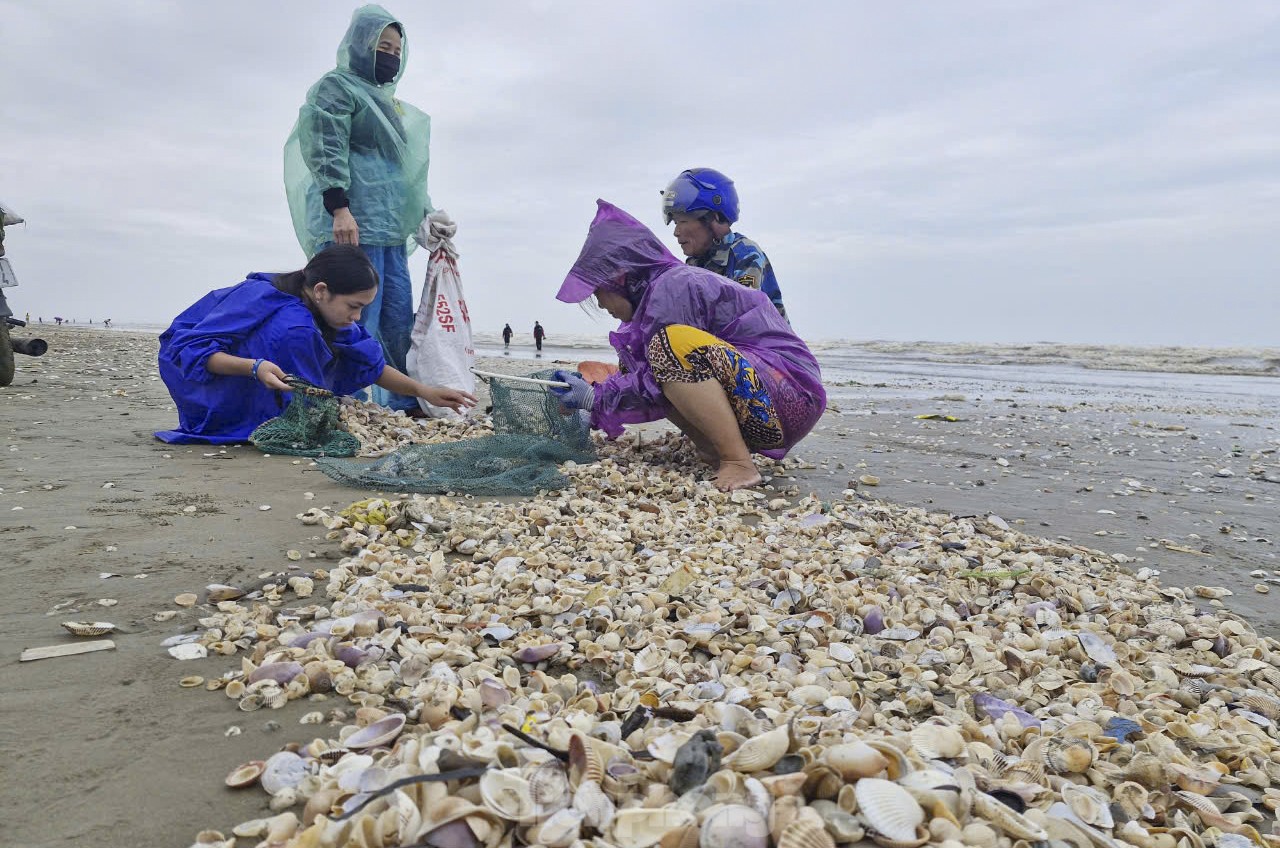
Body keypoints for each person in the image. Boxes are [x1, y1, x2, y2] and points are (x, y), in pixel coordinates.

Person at [551, 201, 825, 491]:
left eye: (599, 293)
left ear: (620, 277)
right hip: (768, 399)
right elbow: (647, 381)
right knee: (648, 363)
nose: (601, 304)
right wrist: (596, 396)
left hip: (791, 397)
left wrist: (596, 399)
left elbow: (658, 373)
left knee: (670, 348)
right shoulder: (656, 296)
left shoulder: (673, 287)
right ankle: (713, 447)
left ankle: (738, 462)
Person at [155, 245, 474, 445]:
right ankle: (260, 416)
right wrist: (254, 367)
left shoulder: (328, 311)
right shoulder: (268, 304)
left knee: (335, 340)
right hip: (210, 386)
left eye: (364, 306)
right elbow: (192, 353)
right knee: (297, 333)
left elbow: (369, 364)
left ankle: (293, 407)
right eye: (353, 306)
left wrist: (425, 392)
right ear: (321, 290)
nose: (357, 315)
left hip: (265, 370)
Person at [284, 4, 433, 414]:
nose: (390, 56)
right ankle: (344, 398)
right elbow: (325, 145)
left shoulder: (391, 106)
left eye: (397, 50)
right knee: (350, 314)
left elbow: (405, 171)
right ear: (360, 46)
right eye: (382, 46)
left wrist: (426, 216)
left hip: (388, 226)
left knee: (396, 317)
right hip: (349, 221)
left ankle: (401, 401)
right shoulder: (336, 88)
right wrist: (339, 206)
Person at [661, 168, 788, 320]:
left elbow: (741, 316)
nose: (676, 232)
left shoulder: (744, 254)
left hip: (764, 343)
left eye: (682, 221)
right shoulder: (695, 265)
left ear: (714, 218)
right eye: (675, 223)